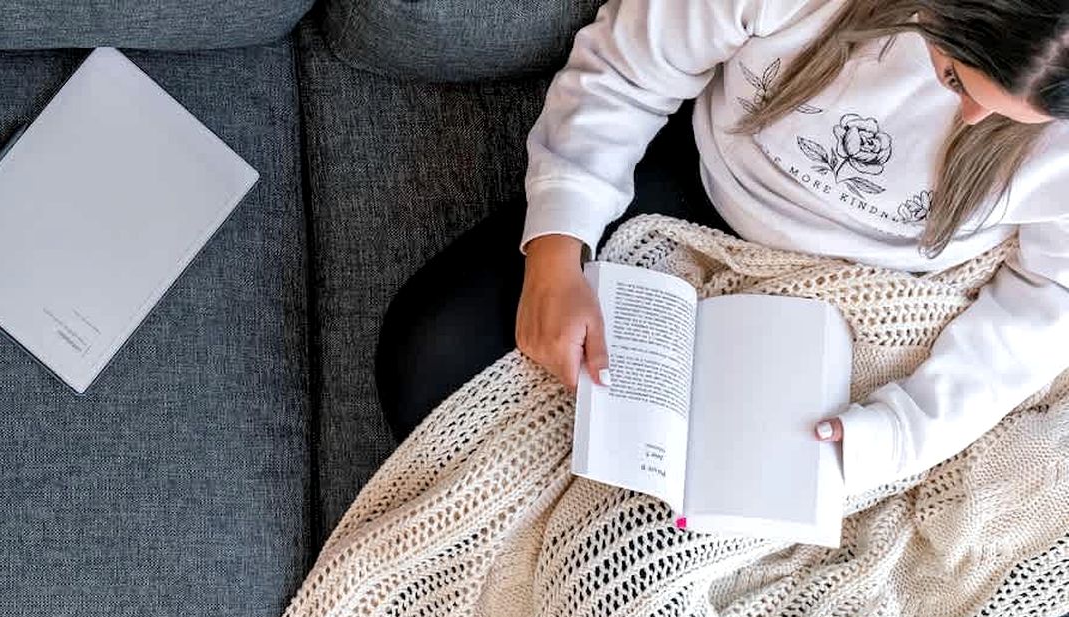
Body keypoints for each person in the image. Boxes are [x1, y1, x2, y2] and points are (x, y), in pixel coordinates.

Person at [375, 0, 1069, 496]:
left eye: (1015, 120)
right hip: (703, 192)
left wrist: (901, 433)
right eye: (952, 77)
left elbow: (1049, 298)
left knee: (681, 507)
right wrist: (557, 253)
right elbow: (626, 71)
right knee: (432, 361)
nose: (971, 119)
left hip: (881, 299)